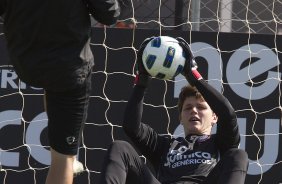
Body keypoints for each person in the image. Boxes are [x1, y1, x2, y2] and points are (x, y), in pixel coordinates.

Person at [0, 0, 120, 184]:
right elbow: (109, 14)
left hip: (25, 59)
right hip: (67, 68)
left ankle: (65, 151)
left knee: (55, 86)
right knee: (63, 161)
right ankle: (65, 158)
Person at [100, 37, 249, 184]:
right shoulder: (163, 146)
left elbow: (228, 115)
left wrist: (193, 76)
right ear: (180, 117)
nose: (194, 111)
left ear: (214, 117)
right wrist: (142, 81)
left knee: (238, 155)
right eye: (188, 108)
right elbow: (131, 126)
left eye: (201, 107)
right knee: (120, 148)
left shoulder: (220, 143)